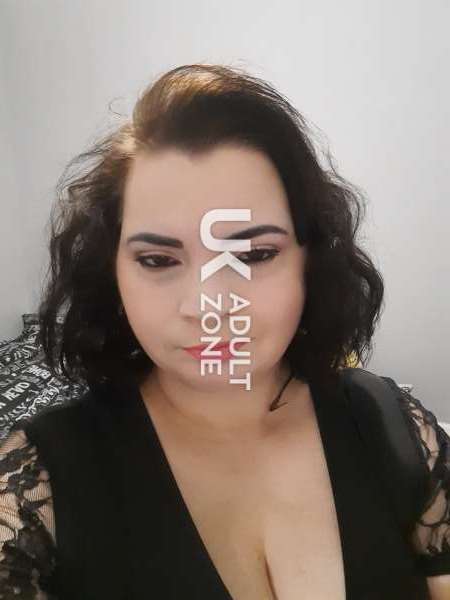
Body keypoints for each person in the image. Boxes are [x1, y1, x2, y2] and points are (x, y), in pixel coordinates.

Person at [0, 63, 449, 599]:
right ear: (111, 273)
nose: (207, 304)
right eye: (158, 260)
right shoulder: (36, 488)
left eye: (254, 254)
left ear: (311, 261)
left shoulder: (396, 428)